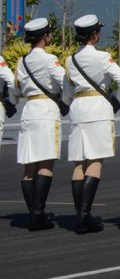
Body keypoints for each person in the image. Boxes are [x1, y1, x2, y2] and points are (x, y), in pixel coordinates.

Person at [62, 14, 120, 234]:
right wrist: (117, 98)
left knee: (79, 163)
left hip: (78, 108)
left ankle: (81, 213)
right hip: (98, 107)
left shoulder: (71, 59)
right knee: (95, 161)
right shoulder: (104, 57)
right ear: (95, 35)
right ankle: (84, 215)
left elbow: (67, 91)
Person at [14, 17, 63, 231]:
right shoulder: (50, 59)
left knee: (29, 167)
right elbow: (65, 82)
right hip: (46, 111)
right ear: (45, 37)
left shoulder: (22, 62)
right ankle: (38, 213)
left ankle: (33, 212)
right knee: (45, 165)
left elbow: (15, 90)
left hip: (29, 111)